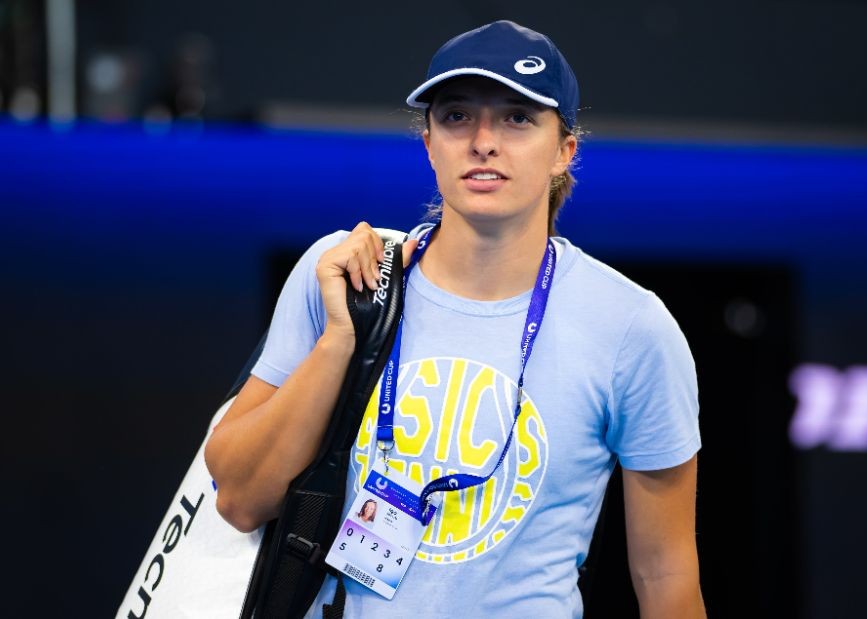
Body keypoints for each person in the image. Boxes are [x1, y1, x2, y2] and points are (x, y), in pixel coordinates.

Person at [205, 20, 705, 618]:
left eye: (518, 118)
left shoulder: (631, 327)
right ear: (429, 144)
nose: (483, 141)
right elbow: (238, 499)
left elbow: (665, 574)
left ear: (564, 152)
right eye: (457, 116)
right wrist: (341, 339)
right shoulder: (347, 276)